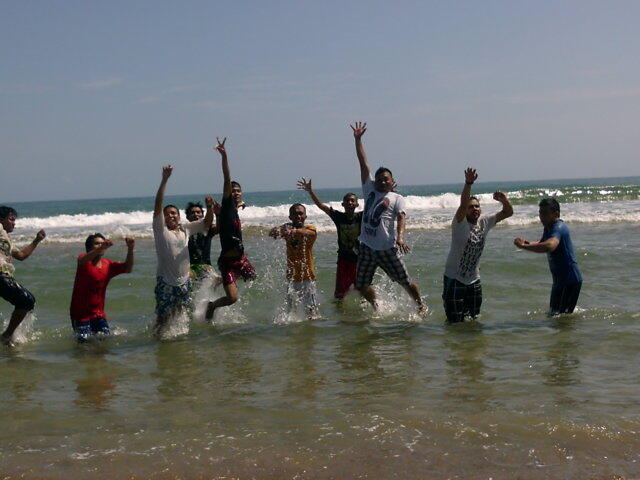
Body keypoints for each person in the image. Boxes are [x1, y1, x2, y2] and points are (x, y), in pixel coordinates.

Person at [350, 122, 426, 313]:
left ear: (392, 182)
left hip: (387, 249)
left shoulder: (397, 198)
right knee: (361, 284)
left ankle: (419, 304)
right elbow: (363, 163)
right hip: (366, 247)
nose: (383, 181)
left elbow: (401, 218)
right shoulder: (369, 190)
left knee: (406, 281)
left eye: (386, 179)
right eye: (380, 179)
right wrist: (358, 140)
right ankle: (377, 305)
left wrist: (400, 237)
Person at [442, 168, 513, 322]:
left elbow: (508, 212)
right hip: (454, 278)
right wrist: (468, 183)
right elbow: (462, 205)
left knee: (474, 320)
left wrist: (504, 200)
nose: (474, 209)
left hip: (474, 280)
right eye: (470, 206)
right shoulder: (459, 223)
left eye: (477, 206)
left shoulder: (484, 223)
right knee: (454, 322)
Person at [153, 165, 215, 335]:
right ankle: (158, 341)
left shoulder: (186, 229)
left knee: (181, 315)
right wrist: (164, 180)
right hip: (165, 282)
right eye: (167, 214)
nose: (171, 216)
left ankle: (178, 344)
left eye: (174, 213)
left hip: (184, 282)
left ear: (179, 216)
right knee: (163, 318)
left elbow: (207, 223)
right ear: (163, 218)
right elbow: (158, 204)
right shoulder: (160, 230)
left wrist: (209, 208)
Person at [206, 138, 257, 320]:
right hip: (227, 261)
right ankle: (212, 306)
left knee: (253, 277)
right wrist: (224, 156)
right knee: (233, 298)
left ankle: (222, 280)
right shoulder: (228, 204)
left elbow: (225, 224)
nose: (235, 192)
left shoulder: (234, 208)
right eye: (232, 190)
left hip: (240, 258)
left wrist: (241, 204)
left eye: (238, 190)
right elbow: (227, 178)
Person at [514, 197, 583, 315]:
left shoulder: (558, 227)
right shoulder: (548, 227)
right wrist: (528, 243)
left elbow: (549, 245)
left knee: (561, 319)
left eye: (545, 213)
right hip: (559, 280)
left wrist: (523, 247)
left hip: (570, 280)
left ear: (556, 213)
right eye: (540, 213)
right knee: (554, 315)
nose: (541, 216)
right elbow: (542, 242)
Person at [297, 177, 362, 299]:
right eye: (347, 201)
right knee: (339, 294)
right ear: (343, 204)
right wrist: (310, 191)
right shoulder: (338, 217)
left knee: (361, 290)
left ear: (357, 204)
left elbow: (376, 207)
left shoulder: (361, 217)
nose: (350, 203)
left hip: (359, 259)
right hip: (343, 259)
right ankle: (340, 314)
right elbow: (322, 206)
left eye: (352, 201)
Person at [70, 234, 135, 341]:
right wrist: (103, 247)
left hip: (98, 315)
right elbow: (83, 260)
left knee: (104, 343)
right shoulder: (83, 260)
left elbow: (128, 268)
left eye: (102, 243)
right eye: (97, 243)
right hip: (80, 315)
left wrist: (130, 248)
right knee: (84, 348)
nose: (101, 245)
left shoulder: (107, 265)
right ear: (89, 248)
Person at [0, 206, 46, 347]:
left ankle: (8, 337)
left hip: (5, 275)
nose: (14, 223)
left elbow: (21, 256)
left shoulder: (6, 240)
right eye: (12, 219)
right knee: (26, 300)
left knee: (27, 301)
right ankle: (7, 336)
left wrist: (36, 240)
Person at [269, 204, 319, 318]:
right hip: (291, 278)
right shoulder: (287, 229)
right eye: (295, 214)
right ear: (290, 217)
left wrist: (293, 231)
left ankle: (314, 330)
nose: (298, 216)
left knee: (312, 313)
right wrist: (278, 229)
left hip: (307, 278)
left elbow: (312, 234)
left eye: (301, 213)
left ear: (306, 216)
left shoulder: (309, 229)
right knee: (290, 313)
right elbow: (272, 233)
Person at [185, 201, 221, 281]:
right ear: (187, 216)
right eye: (192, 213)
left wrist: (218, 214)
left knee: (215, 279)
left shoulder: (207, 229)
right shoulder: (184, 231)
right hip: (190, 267)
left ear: (203, 215)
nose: (195, 214)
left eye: (198, 212)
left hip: (206, 266)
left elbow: (219, 229)